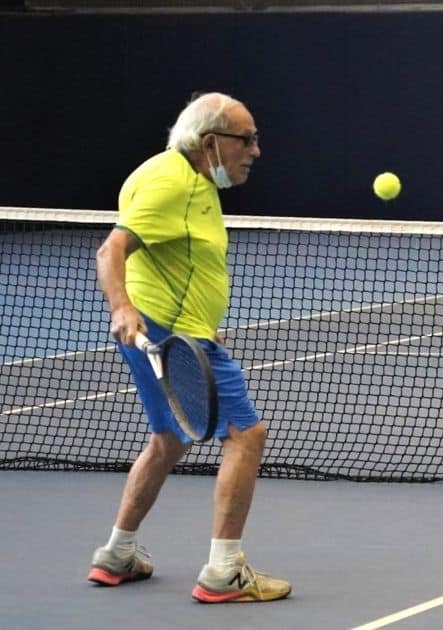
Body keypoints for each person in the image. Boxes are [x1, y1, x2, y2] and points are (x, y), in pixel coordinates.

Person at [89, 92, 291, 603]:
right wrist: (123, 309)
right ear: (210, 142)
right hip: (168, 334)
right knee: (247, 434)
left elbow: (173, 258)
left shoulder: (186, 178)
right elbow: (112, 248)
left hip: (170, 329)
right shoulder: (170, 182)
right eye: (246, 139)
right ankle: (225, 571)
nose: (256, 150)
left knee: (169, 439)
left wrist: (197, 319)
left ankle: (117, 555)